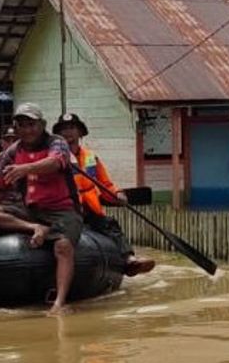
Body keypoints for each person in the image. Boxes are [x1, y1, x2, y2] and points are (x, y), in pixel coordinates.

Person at [0, 103, 84, 316]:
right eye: (22, 125)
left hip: (63, 209)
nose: (27, 130)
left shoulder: (57, 142)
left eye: (31, 124)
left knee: (62, 246)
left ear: (41, 125)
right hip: (31, 211)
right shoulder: (13, 151)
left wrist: (26, 169)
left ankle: (59, 302)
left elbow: (56, 162)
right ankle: (36, 228)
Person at [53, 113, 155, 277]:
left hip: (90, 209)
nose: (68, 133)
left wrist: (118, 195)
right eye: (63, 129)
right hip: (66, 209)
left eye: (71, 128)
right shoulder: (54, 159)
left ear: (79, 132)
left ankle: (129, 259)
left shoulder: (91, 158)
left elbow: (106, 185)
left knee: (111, 225)